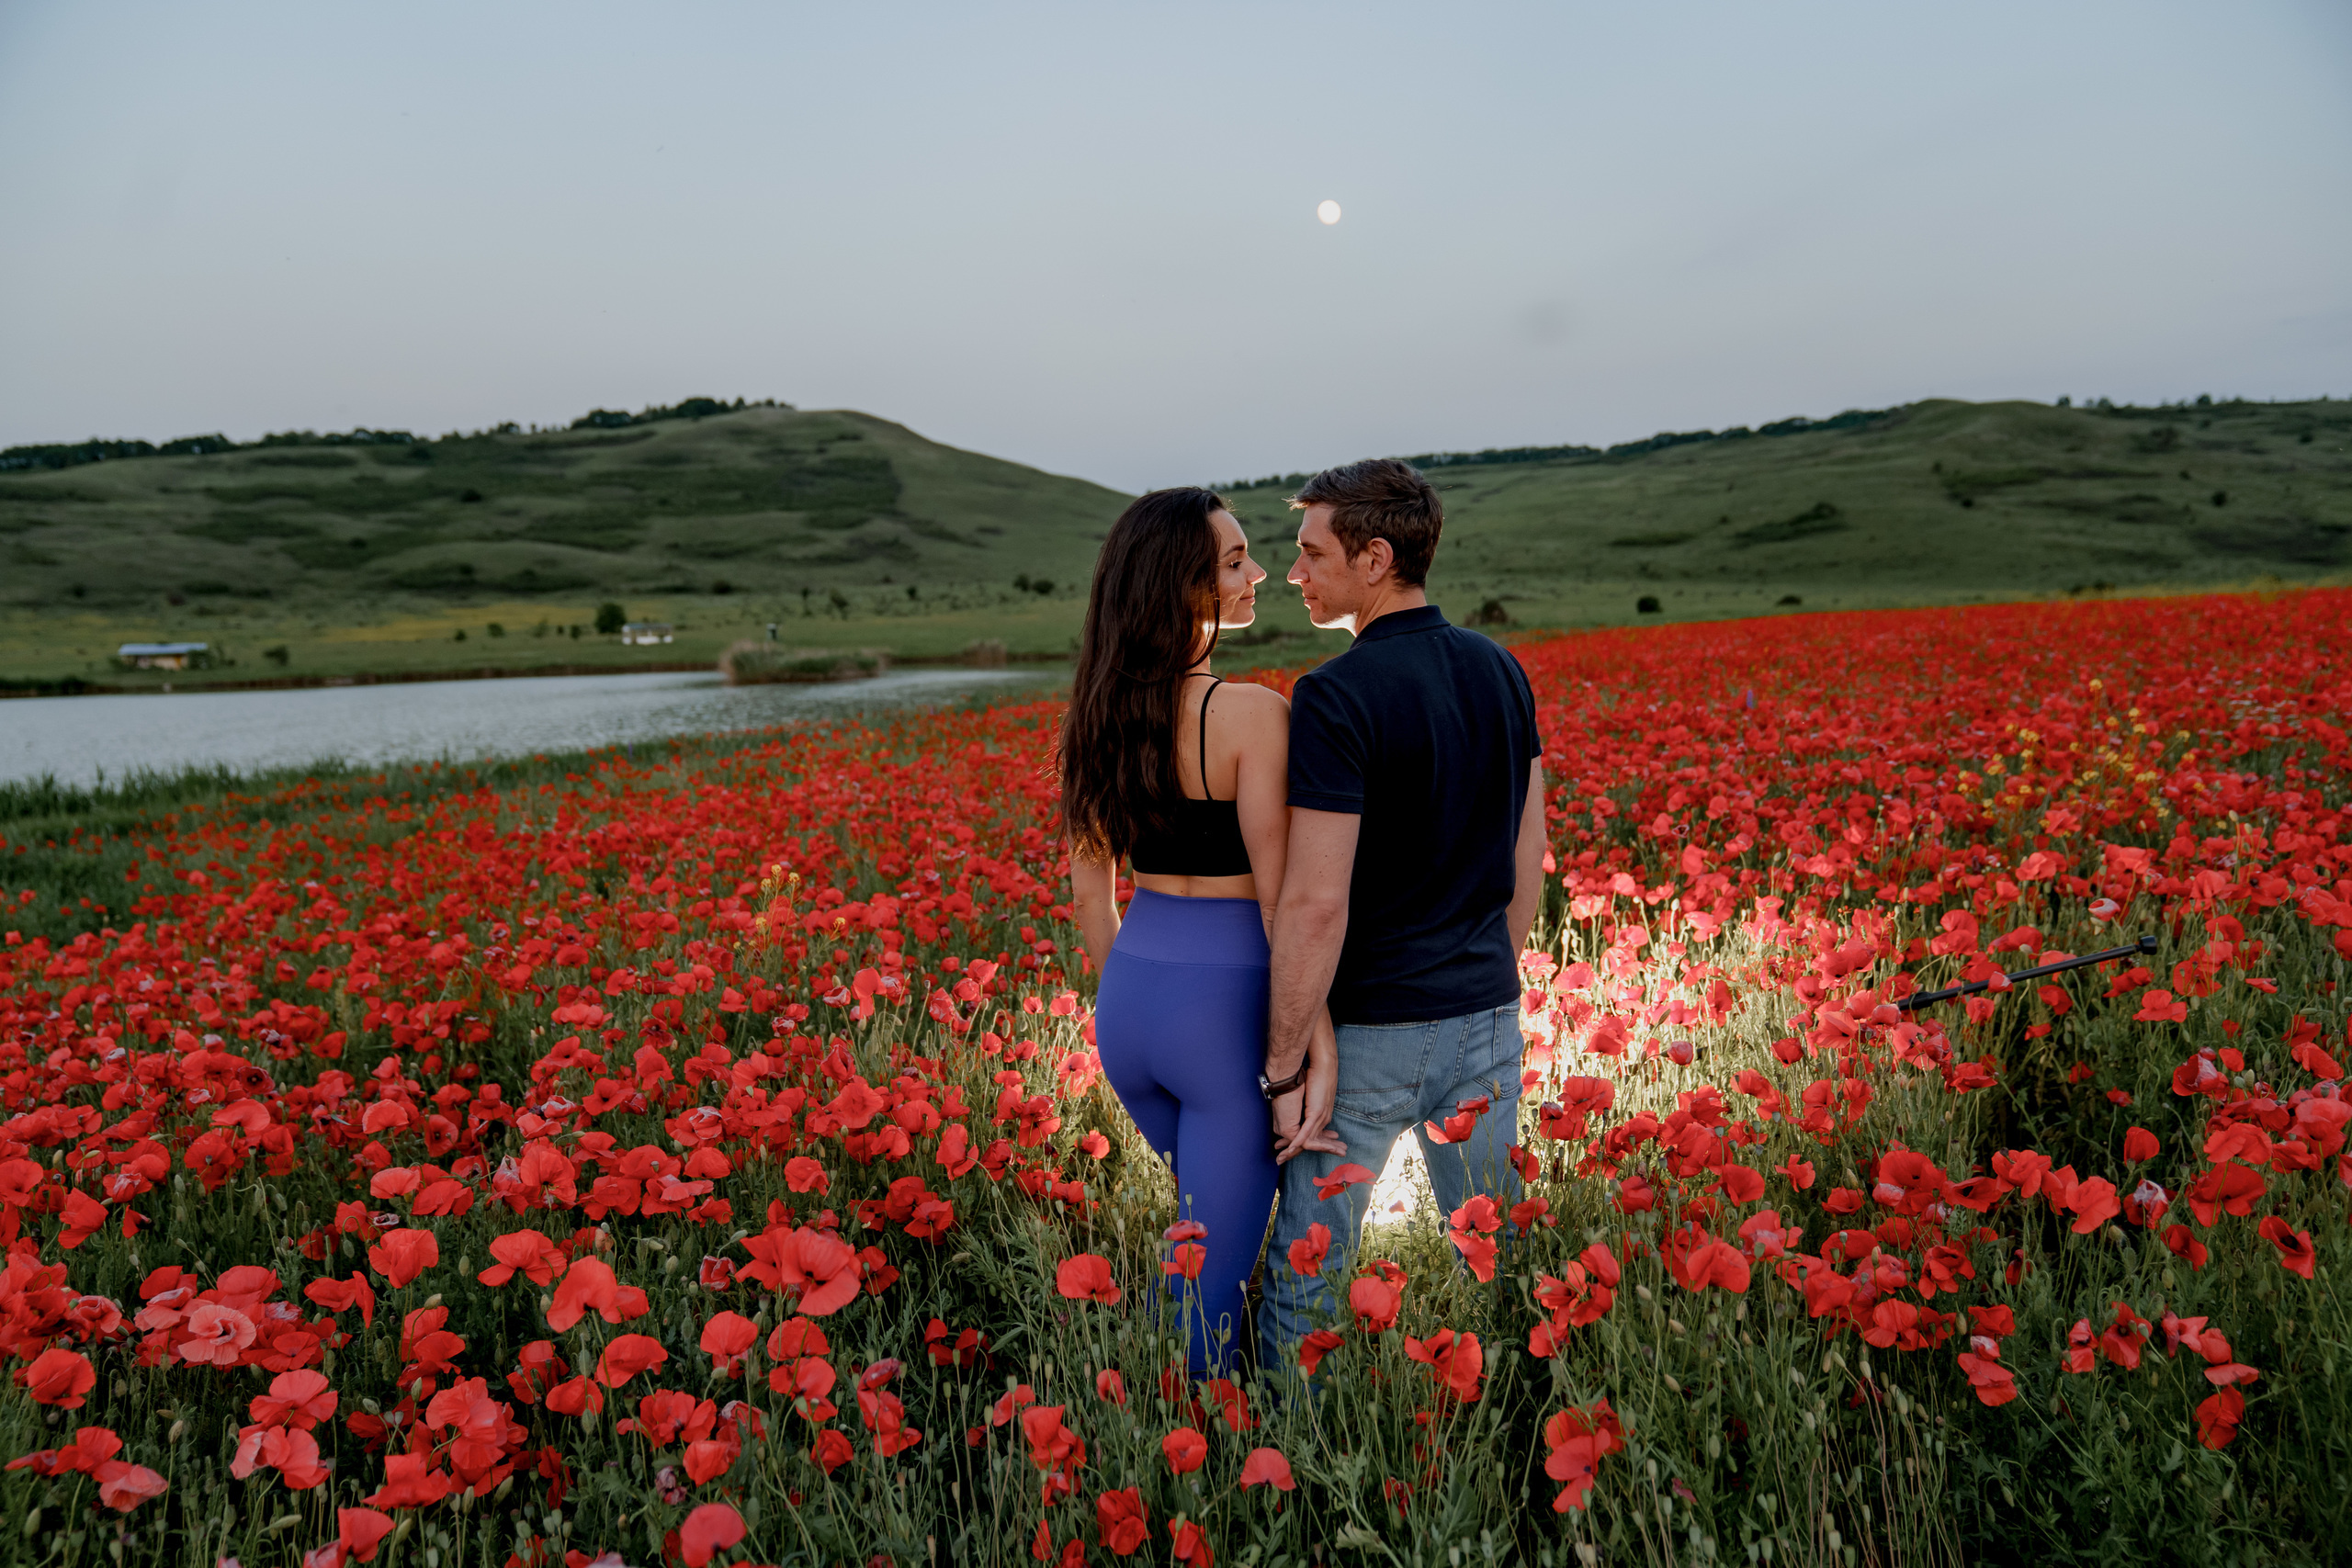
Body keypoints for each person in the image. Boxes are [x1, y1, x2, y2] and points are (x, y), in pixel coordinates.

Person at [1257, 458, 1547, 1371]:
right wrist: (1480, 975)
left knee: (1307, 1282)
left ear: (1374, 556)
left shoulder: (1337, 695)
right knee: (1494, 1263)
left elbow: (1314, 900)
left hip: (1374, 1033)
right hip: (1487, 1017)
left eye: (1311, 555)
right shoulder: (1501, 671)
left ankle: (1282, 1490)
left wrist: (1284, 1059)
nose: (1296, 575)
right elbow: (1525, 856)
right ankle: (1515, 1444)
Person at [1062, 487, 1346, 1377]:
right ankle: (1191, 1467)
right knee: (1207, 1278)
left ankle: (1147, 1410)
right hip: (1221, 1013)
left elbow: (1089, 895)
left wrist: (1132, 1003)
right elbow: (1278, 899)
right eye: (1233, 562)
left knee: (1192, 1242)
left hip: (1133, 1006)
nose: (1259, 572)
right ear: (1181, 585)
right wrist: (1310, 1040)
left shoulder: (1096, 713)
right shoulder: (1253, 715)